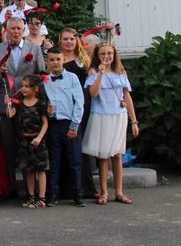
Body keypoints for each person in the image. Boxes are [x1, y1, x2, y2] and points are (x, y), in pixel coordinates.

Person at [0, 17, 45, 195]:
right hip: (4, 102)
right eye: (12, 28)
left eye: (19, 28)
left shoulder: (34, 49)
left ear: (24, 30)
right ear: (6, 30)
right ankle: (10, 185)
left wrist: (30, 90)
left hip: (27, 103)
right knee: (8, 143)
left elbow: (41, 75)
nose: (15, 31)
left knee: (27, 142)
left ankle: (32, 189)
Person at [83, 43, 140, 205]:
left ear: (114, 55)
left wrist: (134, 121)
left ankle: (119, 192)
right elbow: (93, 93)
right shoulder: (93, 72)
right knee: (103, 156)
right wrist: (100, 73)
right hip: (101, 116)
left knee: (117, 154)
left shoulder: (121, 72)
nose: (106, 56)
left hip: (119, 116)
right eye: (102, 54)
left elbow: (127, 98)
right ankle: (104, 191)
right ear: (97, 56)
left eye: (109, 53)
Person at [43, 47, 85, 207]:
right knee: (54, 161)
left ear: (63, 60)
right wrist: (49, 111)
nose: (55, 63)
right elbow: (45, 102)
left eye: (58, 59)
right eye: (52, 60)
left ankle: (78, 194)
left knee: (74, 161)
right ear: (47, 61)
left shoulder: (72, 78)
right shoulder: (45, 80)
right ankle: (53, 194)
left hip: (70, 124)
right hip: (54, 125)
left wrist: (74, 126)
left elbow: (79, 102)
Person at [59, 27, 98, 199]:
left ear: (77, 42)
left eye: (72, 39)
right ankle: (67, 189)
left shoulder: (84, 60)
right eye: (65, 39)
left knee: (81, 146)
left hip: (82, 105)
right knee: (65, 144)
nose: (69, 42)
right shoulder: (57, 59)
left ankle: (87, 188)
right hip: (63, 106)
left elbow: (94, 82)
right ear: (60, 41)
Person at [7, 74, 49, 209]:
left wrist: (39, 137)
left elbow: (45, 123)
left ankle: (42, 197)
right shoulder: (19, 103)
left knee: (40, 169)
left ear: (35, 88)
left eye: (26, 86)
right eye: (22, 86)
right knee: (27, 169)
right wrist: (8, 104)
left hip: (37, 140)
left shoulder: (41, 103)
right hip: (23, 140)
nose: (23, 89)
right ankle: (31, 196)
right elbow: (10, 114)